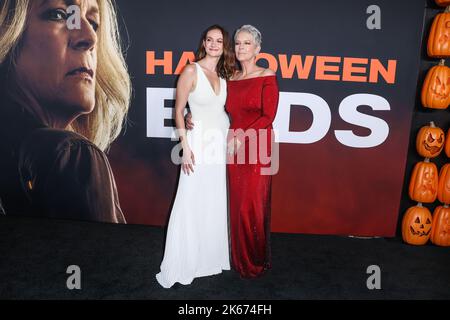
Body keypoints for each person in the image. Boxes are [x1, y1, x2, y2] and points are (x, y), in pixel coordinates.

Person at [0, 0, 131, 223]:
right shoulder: (71, 155)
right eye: (59, 15)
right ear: (9, 31)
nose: (90, 38)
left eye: (93, 22)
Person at [155, 25, 235, 288]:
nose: (213, 44)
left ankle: (208, 260)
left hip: (218, 144)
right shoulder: (191, 70)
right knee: (189, 199)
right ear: (203, 42)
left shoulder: (224, 75)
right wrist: (185, 146)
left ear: (224, 46)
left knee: (213, 200)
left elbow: (220, 109)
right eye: (209, 39)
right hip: (198, 144)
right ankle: (184, 261)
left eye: (219, 40)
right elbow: (179, 111)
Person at [226, 25, 279, 278]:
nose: (241, 48)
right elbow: (218, 108)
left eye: (247, 43)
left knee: (253, 204)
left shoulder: (267, 75)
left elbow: (268, 116)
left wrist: (242, 138)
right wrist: (192, 114)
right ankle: (238, 259)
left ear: (257, 49)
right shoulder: (231, 79)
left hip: (258, 146)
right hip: (233, 146)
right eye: (237, 43)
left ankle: (254, 261)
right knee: (237, 205)